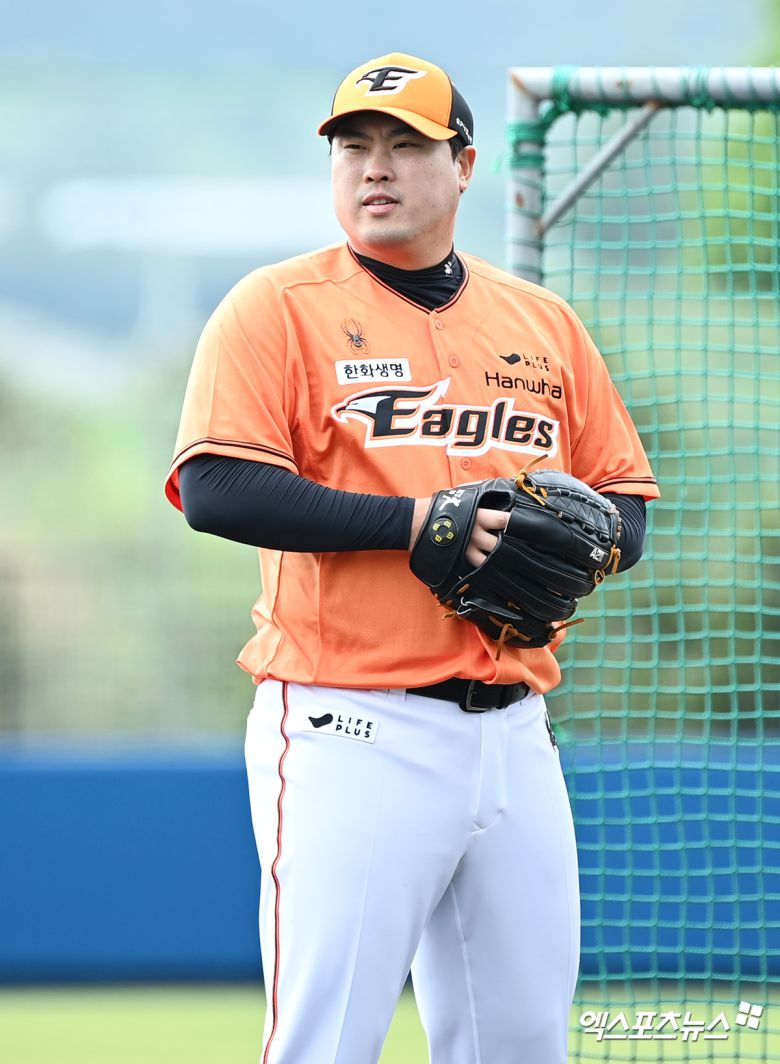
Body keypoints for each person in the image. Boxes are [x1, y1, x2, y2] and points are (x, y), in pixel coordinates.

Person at [165, 51, 659, 1064]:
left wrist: (582, 543)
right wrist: (418, 524)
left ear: (465, 164)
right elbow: (216, 486)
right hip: (352, 726)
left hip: (515, 734)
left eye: (405, 143)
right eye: (353, 145)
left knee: (521, 1042)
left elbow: (625, 508)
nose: (374, 165)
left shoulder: (543, 323)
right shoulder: (275, 306)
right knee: (329, 1040)